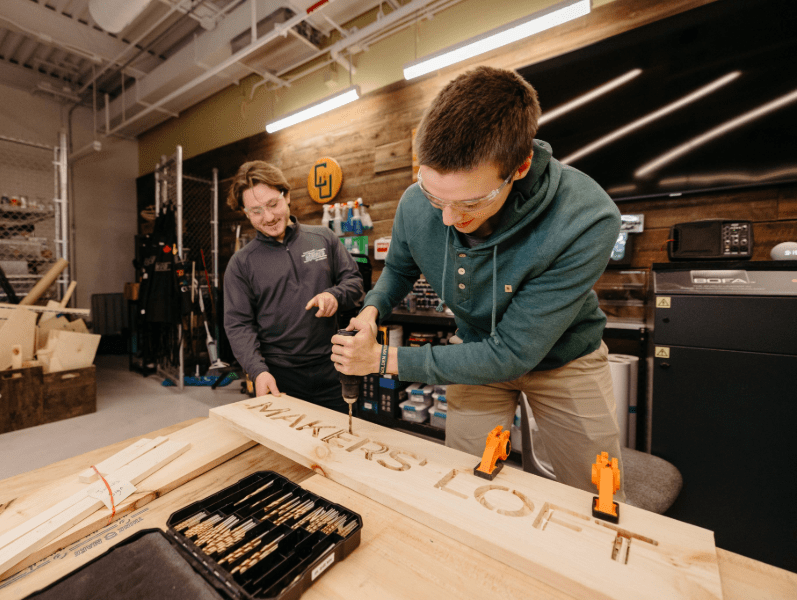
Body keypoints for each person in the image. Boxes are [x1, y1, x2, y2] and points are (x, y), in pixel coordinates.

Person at [331, 67, 625, 498]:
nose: (448, 218)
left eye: (470, 202)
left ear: (520, 166)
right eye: (435, 197)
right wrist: (373, 310)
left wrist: (382, 361)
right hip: (470, 356)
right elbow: (399, 268)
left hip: (566, 362)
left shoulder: (586, 218)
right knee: (466, 484)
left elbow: (510, 354)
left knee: (595, 496)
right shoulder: (416, 203)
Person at [224, 160, 364, 413]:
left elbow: (354, 284)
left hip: (333, 367)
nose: (268, 217)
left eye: (272, 204)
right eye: (255, 211)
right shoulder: (241, 264)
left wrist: (334, 295)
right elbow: (238, 325)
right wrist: (258, 372)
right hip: (278, 377)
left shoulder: (324, 238)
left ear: (286, 196)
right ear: (245, 213)